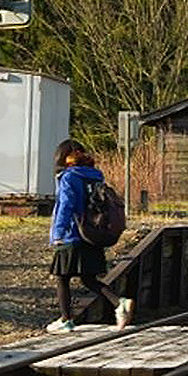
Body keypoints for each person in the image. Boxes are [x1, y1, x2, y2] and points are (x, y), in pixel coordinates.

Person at [47, 139, 134, 333]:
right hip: (92, 233)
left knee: (62, 277)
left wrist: (58, 233)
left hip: (72, 234)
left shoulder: (68, 177)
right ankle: (119, 302)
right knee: (89, 279)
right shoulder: (96, 176)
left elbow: (66, 206)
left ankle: (65, 320)